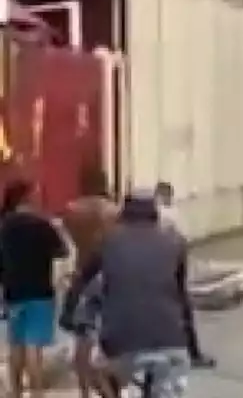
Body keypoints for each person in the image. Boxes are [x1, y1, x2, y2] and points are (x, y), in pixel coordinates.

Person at [65, 190, 190, 398]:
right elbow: (182, 296)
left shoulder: (107, 241)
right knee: (169, 379)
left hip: (121, 345)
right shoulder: (176, 241)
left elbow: (82, 280)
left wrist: (68, 313)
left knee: (97, 370)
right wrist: (193, 347)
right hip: (173, 345)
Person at [0, 179, 68, 398]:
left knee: (15, 345)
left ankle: (15, 391)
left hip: (13, 291)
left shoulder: (4, 225)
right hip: (40, 292)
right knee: (33, 347)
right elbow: (62, 251)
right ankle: (37, 393)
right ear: (27, 198)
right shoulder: (42, 224)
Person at [62, 167, 118, 398]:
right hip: (107, 275)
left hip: (81, 274)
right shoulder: (113, 211)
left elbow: (70, 241)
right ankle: (110, 386)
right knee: (108, 335)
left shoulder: (71, 210)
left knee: (82, 338)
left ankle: (84, 391)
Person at [151, 182, 214, 370]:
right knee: (183, 310)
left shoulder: (152, 215)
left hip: (155, 268)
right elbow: (184, 240)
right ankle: (193, 354)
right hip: (173, 267)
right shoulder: (172, 214)